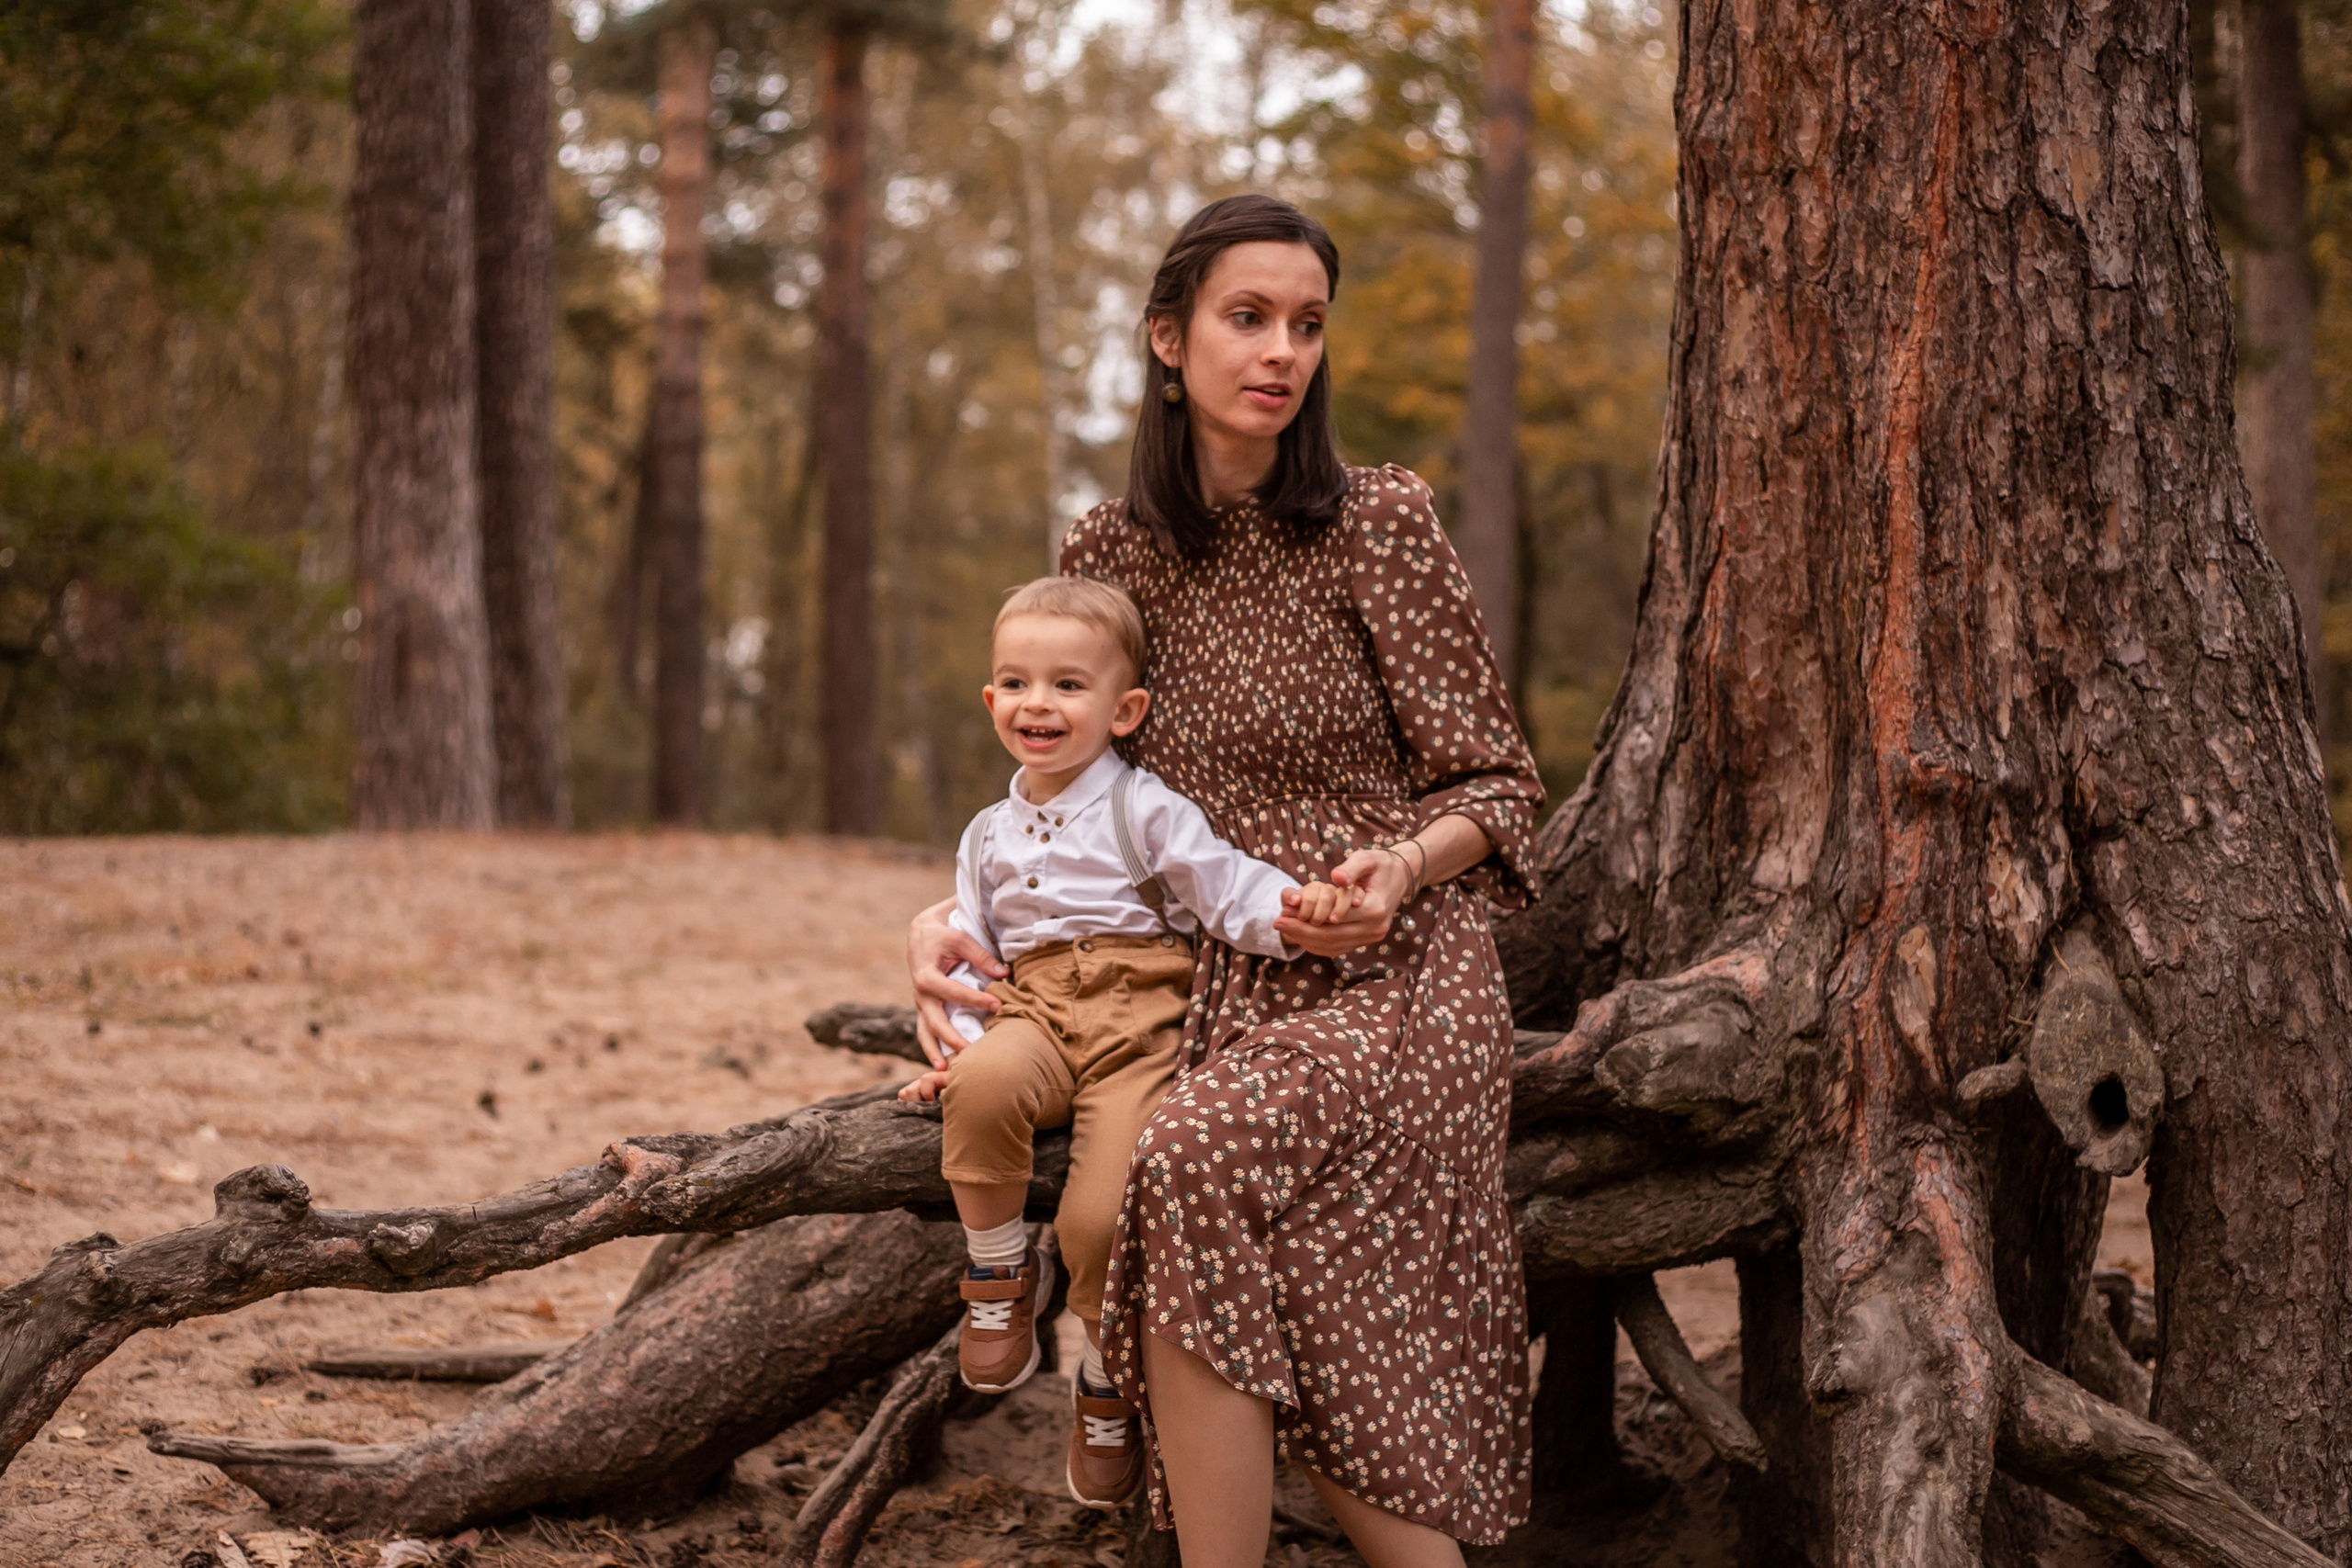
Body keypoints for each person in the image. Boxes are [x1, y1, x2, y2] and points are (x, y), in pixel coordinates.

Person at [908, 194, 1544, 1567]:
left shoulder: (1380, 520)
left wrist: (1404, 865)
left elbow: (1497, 781)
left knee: (1189, 1156)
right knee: (1188, 1181)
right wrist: (950, 920)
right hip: (1204, 984)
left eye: (1308, 324)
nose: (1283, 352)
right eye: (1248, 317)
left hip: (1397, 968)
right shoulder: (1108, 555)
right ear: (1166, 338)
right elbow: (1062, 791)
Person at [899, 573, 1359, 1510]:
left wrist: (1298, 910)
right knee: (983, 1094)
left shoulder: (1144, 808)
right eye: (1017, 683)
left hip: (1139, 1025)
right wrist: (962, 1048)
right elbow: (975, 957)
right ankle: (996, 1272)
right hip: (1032, 1012)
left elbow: (1224, 887)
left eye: (1070, 685)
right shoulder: (986, 832)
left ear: (1124, 709)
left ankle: (1105, 1378)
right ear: (991, 701)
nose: (1040, 704)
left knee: (1103, 1217)